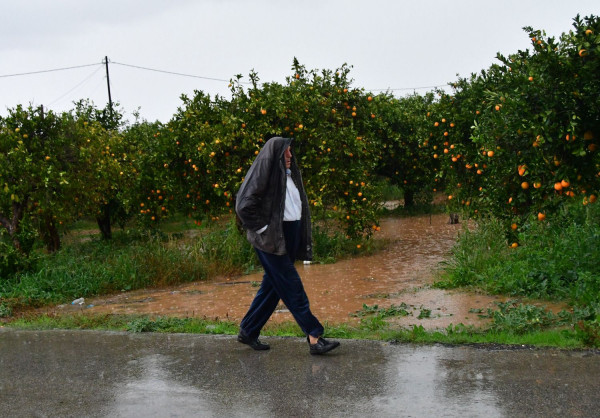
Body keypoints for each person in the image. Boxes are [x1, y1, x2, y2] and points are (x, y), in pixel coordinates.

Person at [235, 136, 340, 355]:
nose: (290, 155)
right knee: (292, 286)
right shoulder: (265, 175)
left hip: (287, 237)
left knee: (272, 288)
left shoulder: (287, 175)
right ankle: (314, 336)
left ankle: (248, 330)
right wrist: (264, 230)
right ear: (275, 155)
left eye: (291, 151)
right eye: (286, 152)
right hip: (271, 240)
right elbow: (244, 206)